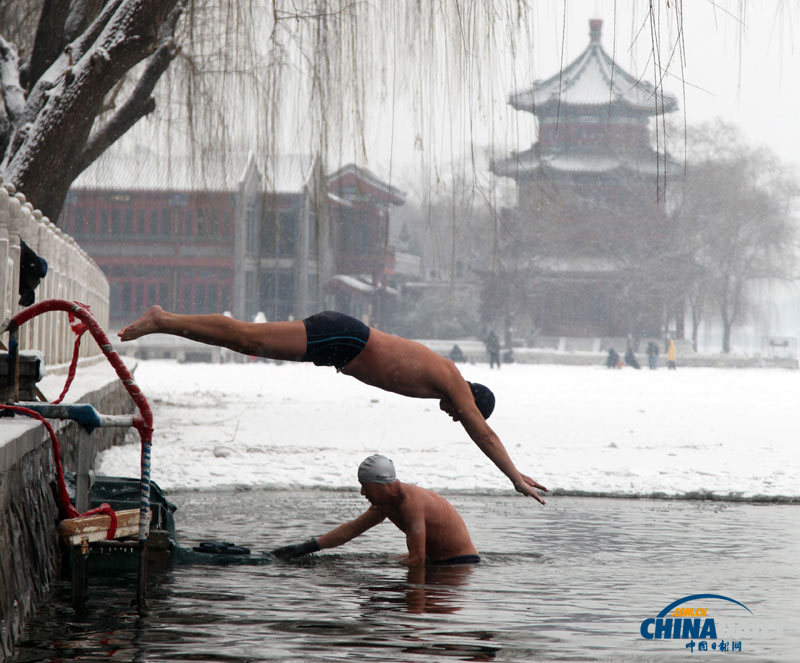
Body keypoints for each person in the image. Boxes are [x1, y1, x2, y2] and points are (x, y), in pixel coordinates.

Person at [118, 307, 547, 504]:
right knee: (249, 338)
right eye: (461, 412)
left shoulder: (447, 384)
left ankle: (167, 323)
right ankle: (164, 321)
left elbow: (476, 426)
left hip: (341, 347)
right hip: (345, 338)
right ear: (470, 400)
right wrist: (514, 477)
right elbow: (483, 433)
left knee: (248, 340)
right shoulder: (453, 383)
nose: (455, 416)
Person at [271, 454, 480, 566]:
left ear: (382, 484)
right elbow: (351, 531)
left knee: (378, 568)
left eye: (366, 486)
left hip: (460, 564)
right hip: (436, 561)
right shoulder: (388, 501)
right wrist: (307, 547)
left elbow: (416, 561)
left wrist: (375, 570)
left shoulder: (411, 504)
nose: (362, 492)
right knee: (381, 563)